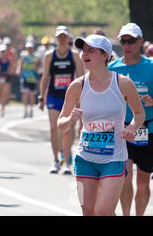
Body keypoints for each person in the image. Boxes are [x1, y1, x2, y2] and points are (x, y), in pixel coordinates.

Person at [58, 34, 145, 216]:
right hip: (85, 159)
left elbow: (139, 114)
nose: (84, 54)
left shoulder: (123, 83)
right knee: (88, 211)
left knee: (104, 211)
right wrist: (69, 120)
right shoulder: (77, 86)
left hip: (114, 158)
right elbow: (61, 124)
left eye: (91, 50)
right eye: (83, 50)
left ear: (105, 55)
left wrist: (132, 128)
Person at [108, 22, 153, 216]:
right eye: (123, 41)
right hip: (121, 129)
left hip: (147, 129)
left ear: (140, 42)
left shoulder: (151, 66)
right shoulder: (111, 68)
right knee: (124, 177)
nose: (127, 45)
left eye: (131, 41)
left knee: (142, 181)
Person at [38, 25, 84, 175]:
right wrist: (40, 96)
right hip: (53, 95)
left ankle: (66, 162)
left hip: (69, 96)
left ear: (68, 38)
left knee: (67, 129)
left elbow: (81, 76)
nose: (62, 39)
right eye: (60, 36)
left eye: (65, 36)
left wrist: (81, 97)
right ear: (56, 38)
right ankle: (55, 160)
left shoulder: (75, 55)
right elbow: (45, 77)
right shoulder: (50, 55)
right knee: (53, 127)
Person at [17, 42, 40, 118]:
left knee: (32, 95)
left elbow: (41, 65)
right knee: (25, 94)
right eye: (28, 48)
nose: (29, 49)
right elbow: (20, 63)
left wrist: (37, 68)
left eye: (31, 48)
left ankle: (31, 110)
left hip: (33, 78)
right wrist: (19, 70)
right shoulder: (23, 55)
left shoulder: (36, 56)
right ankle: (25, 110)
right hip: (25, 77)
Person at [0, 43, 15, 116]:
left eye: (4, 51)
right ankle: (2, 106)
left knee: (5, 93)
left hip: (7, 78)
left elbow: (13, 70)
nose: (3, 53)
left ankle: (3, 108)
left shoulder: (9, 60)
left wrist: (10, 70)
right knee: (1, 94)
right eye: (2, 51)